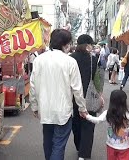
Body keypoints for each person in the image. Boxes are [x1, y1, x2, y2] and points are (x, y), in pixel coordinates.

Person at [30, 29, 88, 160]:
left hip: (45, 110)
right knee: (58, 145)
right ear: (66, 44)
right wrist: (82, 108)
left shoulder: (39, 60)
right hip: (63, 111)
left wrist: (34, 106)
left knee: (48, 142)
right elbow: (77, 89)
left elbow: (33, 86)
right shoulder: (70, 62)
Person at [70, 34, 99, 160]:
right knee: (88, 125)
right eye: (91, 45)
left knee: (76, 124)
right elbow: (97, 80)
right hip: (90, 97)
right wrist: (100, 95)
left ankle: (78, 146)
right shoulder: (93, 59)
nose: (92, 47)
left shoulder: (70, 59)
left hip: (74, 97)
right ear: (87, 45)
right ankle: (84, 154)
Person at [85, 90, 129, 160]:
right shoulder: (127, 115)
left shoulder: (108, 113)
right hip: (124, 146)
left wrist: (86, 116)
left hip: (111, 145)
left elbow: (97, 120)